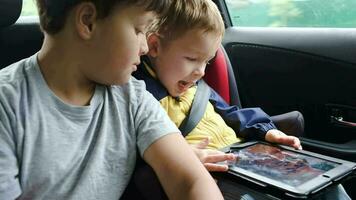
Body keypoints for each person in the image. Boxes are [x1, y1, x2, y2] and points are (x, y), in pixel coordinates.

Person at [0, 1, 225, 200]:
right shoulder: (7, 104)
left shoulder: (132, 98)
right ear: (88, 22)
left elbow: (190, 181)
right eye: (139, 30)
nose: (145, 47)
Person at [132, 0, 351, 199]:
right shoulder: (139, 96)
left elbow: (232, 112)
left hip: (245, 159)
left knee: (320, 183)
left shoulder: (196, 85)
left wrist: (265, 130)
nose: (200, 71)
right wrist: (181, 160)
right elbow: (133, 154)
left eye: (206, 62)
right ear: (154, 47)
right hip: (215, 176)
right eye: (191, 59)